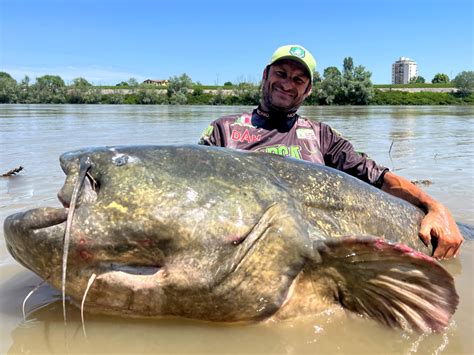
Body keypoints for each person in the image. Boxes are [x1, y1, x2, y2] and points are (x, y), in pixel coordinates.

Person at [198, 44, 463, 260]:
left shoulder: (322, 135)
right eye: (281, 73)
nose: (288, 84)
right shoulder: (224, 130)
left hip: (311, 254)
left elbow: (378, 178)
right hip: (242, 252)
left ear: (308, 90)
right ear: (265, 74)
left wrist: (435, 206)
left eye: (298, 79)